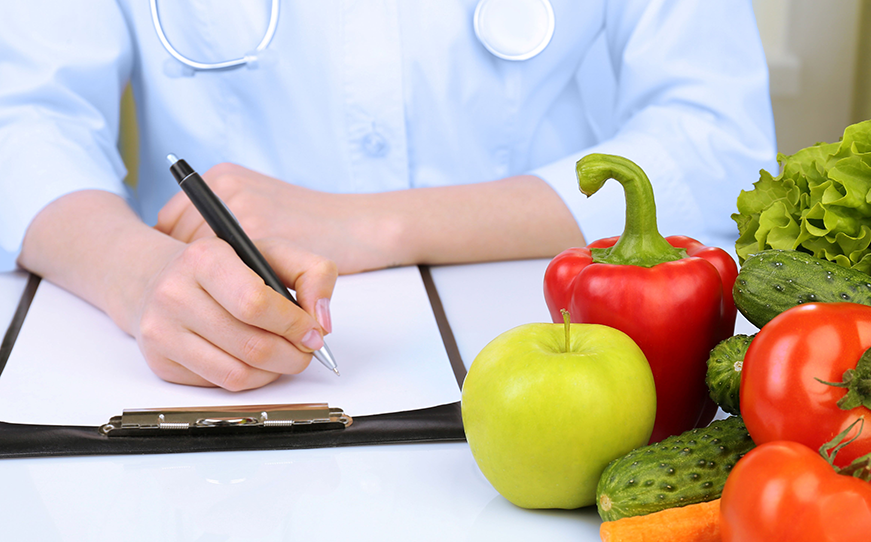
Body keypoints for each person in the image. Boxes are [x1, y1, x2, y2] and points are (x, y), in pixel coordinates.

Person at [0, 0, 777, 391]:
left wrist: (372, 224)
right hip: (216, 352)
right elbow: (23, 115)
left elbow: (718, 142)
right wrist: (140, 277)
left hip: (555, 346)